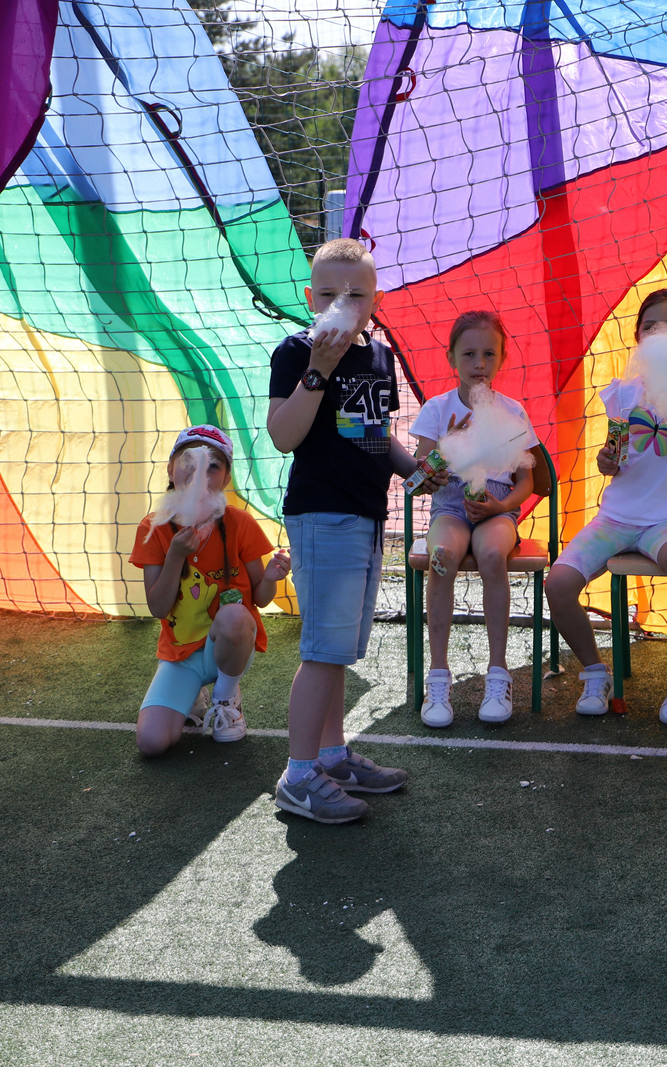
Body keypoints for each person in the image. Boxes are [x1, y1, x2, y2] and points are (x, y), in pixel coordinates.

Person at [267, 237, 416, 824]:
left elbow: (371, 433)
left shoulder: (378, 357)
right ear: (310, 298)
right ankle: (299, 775)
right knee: (323, 651)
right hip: (322, 515)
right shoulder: (296, 352)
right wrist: (318, 373)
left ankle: (330, 757)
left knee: (338, 652)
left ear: (376, 302)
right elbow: (284, 436)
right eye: (328, 293)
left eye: (355, 295)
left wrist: (416, 473)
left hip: (365, 517)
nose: (341, 304)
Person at [545, 289, 667, 725]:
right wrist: (607, 461)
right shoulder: (623, 393)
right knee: (557, 585)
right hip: (617, 518)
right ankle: (596, 673)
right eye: (649, 327)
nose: (658, 336)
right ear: (637, 337)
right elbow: (615, 456)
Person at [409, 311, 540, 727]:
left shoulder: (513, 411)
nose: (479, 363)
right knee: (442, 557)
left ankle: (498, 675)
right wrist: (445, 449)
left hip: (497, 507)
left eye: (488, 354)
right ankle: (438, 678)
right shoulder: (436, 409)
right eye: (469, 354)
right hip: (450, 506)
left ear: (501, 359)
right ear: (451, 357)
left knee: (492, 554)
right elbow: (417, 479)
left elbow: (527, 481)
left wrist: (501, 508)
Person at [129, 425, 291, 758]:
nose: (199, 472)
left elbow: (260, 600)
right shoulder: (153, 528)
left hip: (229, 644)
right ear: (170, 470)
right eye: (187, 461)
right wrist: (175, 554)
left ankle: (226, 698)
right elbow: (158, 608)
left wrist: (270, 578)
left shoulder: (240, 523)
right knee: (151, 743)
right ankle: (193, 697)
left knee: (233, 615)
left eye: (212, 465)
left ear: (226, 478)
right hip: (181, 655)